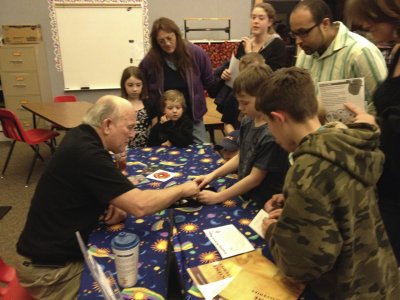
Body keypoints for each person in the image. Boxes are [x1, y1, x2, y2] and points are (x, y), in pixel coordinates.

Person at [15, 96, 199, 300]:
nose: (132, 134)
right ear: (108, 125)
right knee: (136, 283)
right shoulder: (87, 153)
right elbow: (140, 205)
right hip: (51, 271)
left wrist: (113, 199)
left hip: (50, 253)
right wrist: (182, 189)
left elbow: (102, 183)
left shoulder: (81, 136)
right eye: (129, 127)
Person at [256, 67, 400, 299]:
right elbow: (341, 201)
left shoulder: (308, 169)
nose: (272, 134)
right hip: (380, 276)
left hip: (345, 290)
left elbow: (304, 262)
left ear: (279, 118)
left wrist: (273, 231)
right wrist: (295, 206)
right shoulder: (348, 143)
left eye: (269, 124)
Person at [344, 0, 400, 265]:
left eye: (371, 19)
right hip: (386, 182)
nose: (365, 26)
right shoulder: (397, 52)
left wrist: (376, 125)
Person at [195, 64, 289, 209]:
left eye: (244, 103)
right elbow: (242, 156)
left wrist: (218, 197)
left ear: (264, 98)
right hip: (246, 194)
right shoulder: (248, 120)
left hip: (264, 202)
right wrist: (211, 176)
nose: (239, 108)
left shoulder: (271, 135)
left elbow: (255, 179)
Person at [290, 0, 387, 115]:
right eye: (294, 34)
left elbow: (384, 107)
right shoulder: (304, 57)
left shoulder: (359, 52)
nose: (298, 41)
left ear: (325, 24)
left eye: (303, 32)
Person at [139, 17, 218, 144]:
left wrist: (224, 77)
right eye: (162, 41)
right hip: (165, 119)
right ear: (156, 43)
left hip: (193, 117)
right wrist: (153, 116)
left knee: (202, 150)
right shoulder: (150, 61)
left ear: (176, 34)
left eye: (169, 38)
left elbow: (210, 83)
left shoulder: (196, 54)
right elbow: (142, 89)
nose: (167, 44)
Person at [213, 52, 266, 134]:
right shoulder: (233, 96)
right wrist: (235, 136)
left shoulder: (268, 101)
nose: (240, 107)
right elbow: (227, 122)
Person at [120, 66, 157, 148]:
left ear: (143, 85)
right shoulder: (118, 105)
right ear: (124, 85)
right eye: (130, 85)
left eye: (138, 85)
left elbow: (155, 129)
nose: (135, 89)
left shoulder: (150, 103)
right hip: (125, 149)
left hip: (147, 149)